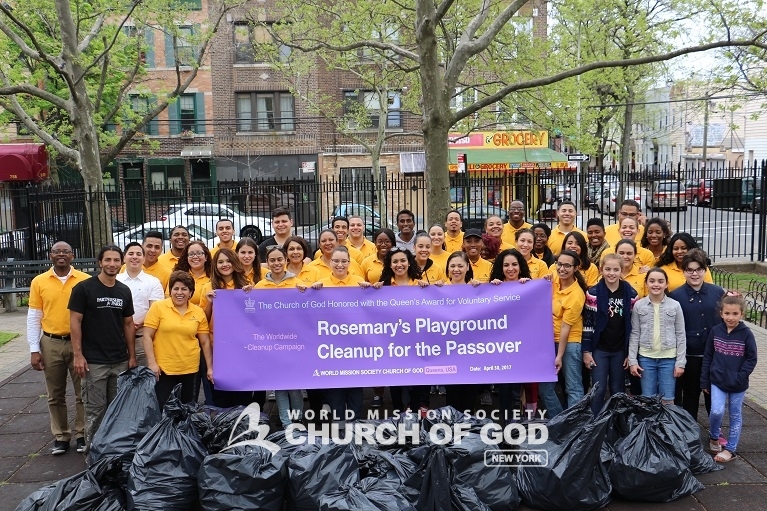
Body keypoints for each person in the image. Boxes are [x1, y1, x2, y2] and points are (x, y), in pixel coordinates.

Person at [27, 241, 90, 455]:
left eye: (65, 252)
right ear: (50, 255)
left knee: (83, 392)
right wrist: (34, 349)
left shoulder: (85, 280)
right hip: (51, 342)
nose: (61, 255)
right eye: (56, 251)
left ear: (72, 256)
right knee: (55, 394)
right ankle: (61, 436)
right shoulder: (39, 281)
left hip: (78, 342)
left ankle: (83, 434)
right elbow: (35, 316)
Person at [69, 245, 136, 447]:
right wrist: (78, 355)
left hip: (119, 361)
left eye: (116, 260)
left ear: (121, 263)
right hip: (94, 362)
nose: (112, 264)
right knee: (95, 411)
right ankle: (93, 454)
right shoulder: (83, 289)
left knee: (117, 410)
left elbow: (128, 324)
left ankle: (114, 453)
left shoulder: (124, 291)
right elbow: (75, 323)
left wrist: (131, 356)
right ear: (100, 263)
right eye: (108, 260)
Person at [302, 247, 373, 422]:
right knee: (334, 388)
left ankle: (355, 424)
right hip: (331, 346)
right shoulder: (322, 284)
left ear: (349, 263)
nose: (340, 265)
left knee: (355, 387)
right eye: (336, 261)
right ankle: (338, 424)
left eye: (343, 261)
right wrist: (312, 291)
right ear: (330, 262)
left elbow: (371, 310)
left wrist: (370, 289)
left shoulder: (358, 282)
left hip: (354, 346)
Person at [669, 248, 725, 420]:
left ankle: (715, 432)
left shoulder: (717, 293)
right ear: (683, 271)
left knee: (713, 395)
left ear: (705, 270)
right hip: (690, 354)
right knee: (691, 394)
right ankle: (690, 431)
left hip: (714, 354)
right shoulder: (675, 296)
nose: (694, 274)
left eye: (699, 270)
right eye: (690, 270)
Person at [143, 271, 213, 407]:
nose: (179, 292)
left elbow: (205, 342)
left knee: (187, 410)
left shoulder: (198, 312)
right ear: (170, 291)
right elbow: (147, 336)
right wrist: (152, 363)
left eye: (184, 289)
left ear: (191, 292)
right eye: (176, 288)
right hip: (163, 369)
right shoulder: (158, 307)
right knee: (163, 409)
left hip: (190, 369)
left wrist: (209, 367)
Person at [702, 293, 757, 463]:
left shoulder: (746, 334)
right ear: (721, 313)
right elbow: (708, 356)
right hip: (717, 381)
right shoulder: (715, 331)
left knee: (735, 415)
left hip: (738, 384)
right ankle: (714, 435)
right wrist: (705, 380)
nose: (730, 317)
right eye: (727, 313)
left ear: (742, 314)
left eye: (735, 314)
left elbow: (752, 358)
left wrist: (741, 376)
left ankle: (731, 449)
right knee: (716, 411)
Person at [199, 248, 256, 407]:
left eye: (228, 261)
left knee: (242, 393)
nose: (225, 265)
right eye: (220, 262)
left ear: (235, 263)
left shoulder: (246, 285)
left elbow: (255, 317)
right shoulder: (208, 287)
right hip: (217, 347)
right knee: (220, 395)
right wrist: (210, 302)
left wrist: (251, 295)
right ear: (215, 265)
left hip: (242, 347)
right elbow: (202, 321)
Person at [582, 254, 638, 415]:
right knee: (598, 390)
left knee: (617, 389)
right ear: (601, 270)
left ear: (622, 270)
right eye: (607, 269)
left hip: (620, 350)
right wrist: (586, 351)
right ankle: (595, 423)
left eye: (616, 269)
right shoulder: (593, 293)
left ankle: (616, 423)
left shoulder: (631, 293)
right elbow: (588, 323)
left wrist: (630, 353)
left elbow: (633, 326)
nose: (611, 273)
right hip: (600, 349)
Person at [539, 250, 587, 417]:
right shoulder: (553, 277)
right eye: (560, 264)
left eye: (567, 266)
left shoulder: (577, 295)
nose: (562, 269)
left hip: (570, 343)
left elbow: (566, 328)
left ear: (575, 268)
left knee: (573, 387)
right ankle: (560, 421)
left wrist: (559, 356)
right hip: (548, 340)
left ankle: (575, 426)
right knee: (544, 388)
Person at [628, 268, 686, 404]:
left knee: (667, 399)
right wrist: (632, 360)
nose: (656, 284)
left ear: (666, 284)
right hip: (646, 359)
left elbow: (681, 335)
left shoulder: (675, 306)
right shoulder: (638, 305)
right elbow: (635, 333)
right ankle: (650, 425)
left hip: (669, 359)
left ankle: (666, 425)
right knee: (648, 399)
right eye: (652, 281)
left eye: (660, 281)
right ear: (646, 283)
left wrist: (680, 362)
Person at [488, 249, 531, 421]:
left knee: (517, 388)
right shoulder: (493, 287)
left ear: (520, 267)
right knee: (504, 387)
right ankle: (505, 423)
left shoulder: (528, 287)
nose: (510, 268)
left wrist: (529, 287)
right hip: (500, 346)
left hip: (521, 346)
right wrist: (491, 289)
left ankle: (516, 423)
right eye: (506, 265)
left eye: (514, 264)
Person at [443, 251, 481, 413]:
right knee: (452, 394)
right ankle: (453, 429)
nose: (456, 269)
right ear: (447, 269)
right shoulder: (438, 290)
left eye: (460, 265)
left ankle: (469, 431)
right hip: (448, 351)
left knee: (469, 394)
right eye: (452, 266)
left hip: (471, 352)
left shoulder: (477, 289)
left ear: (467, 267)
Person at [116, 242, 165, 367]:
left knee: (143, 380)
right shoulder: (115, 280)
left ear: (143, 259)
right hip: (117, 338)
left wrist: (136, 324)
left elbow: (156, 309)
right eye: (130, 253)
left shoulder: (153, 282)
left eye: (138, 254)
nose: (134, 257)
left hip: (142, 339)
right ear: (124, 258)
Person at [173, 240, 212, 305]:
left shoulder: (214, 276)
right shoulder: (177, 276)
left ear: (206, 257)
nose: (195, 257)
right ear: (187, 258)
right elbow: (169, 298)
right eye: (191, 254)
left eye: (199, 253)